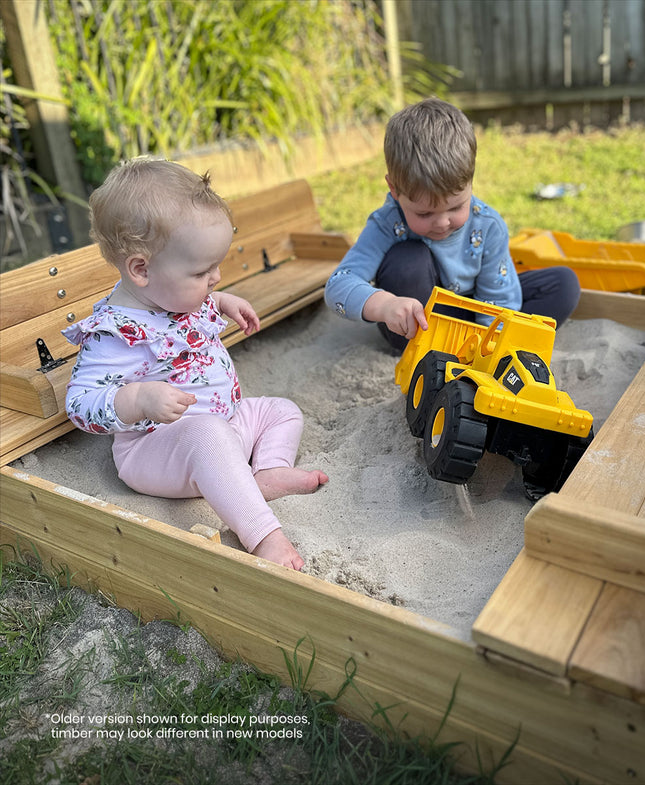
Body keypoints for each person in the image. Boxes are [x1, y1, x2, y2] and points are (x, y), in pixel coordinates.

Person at [63, 158, 327, 571]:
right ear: (141, 269)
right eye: (203, 271)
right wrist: (136, 398)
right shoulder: (116, 333)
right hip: (156, 450)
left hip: (225, 423)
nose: (217, 277)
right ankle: (263, 535)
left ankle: (268, 473)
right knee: (207, 435)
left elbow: (194, 303)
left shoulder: (171, 293)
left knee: (280, 410)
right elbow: (80, 404)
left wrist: (222, 303)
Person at [324, 97, 581, 351]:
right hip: (419, 324)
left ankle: (482, 344)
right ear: (394, 189)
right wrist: (385, 305)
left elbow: (498, 299)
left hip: (476, 313)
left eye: (456, 207)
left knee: (563, 284)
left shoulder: (487, 225)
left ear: (470, 181)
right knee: (407, 259)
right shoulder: (387, 223)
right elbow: (338, 285)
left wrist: (490, 347)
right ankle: (434, 345)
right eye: (424, 214)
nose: (443, 222)